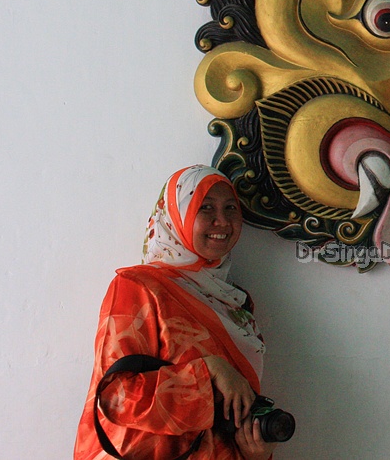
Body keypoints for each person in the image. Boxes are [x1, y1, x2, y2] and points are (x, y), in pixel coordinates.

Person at [74, 165, 276, 460]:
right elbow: (116, 397)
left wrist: (254, 453)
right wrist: (210, 371)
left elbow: (234, 412)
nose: (222, 221)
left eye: (231, 208)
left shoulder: (237, 305)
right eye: (205, 207)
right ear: (176, 216)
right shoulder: (137, 287)